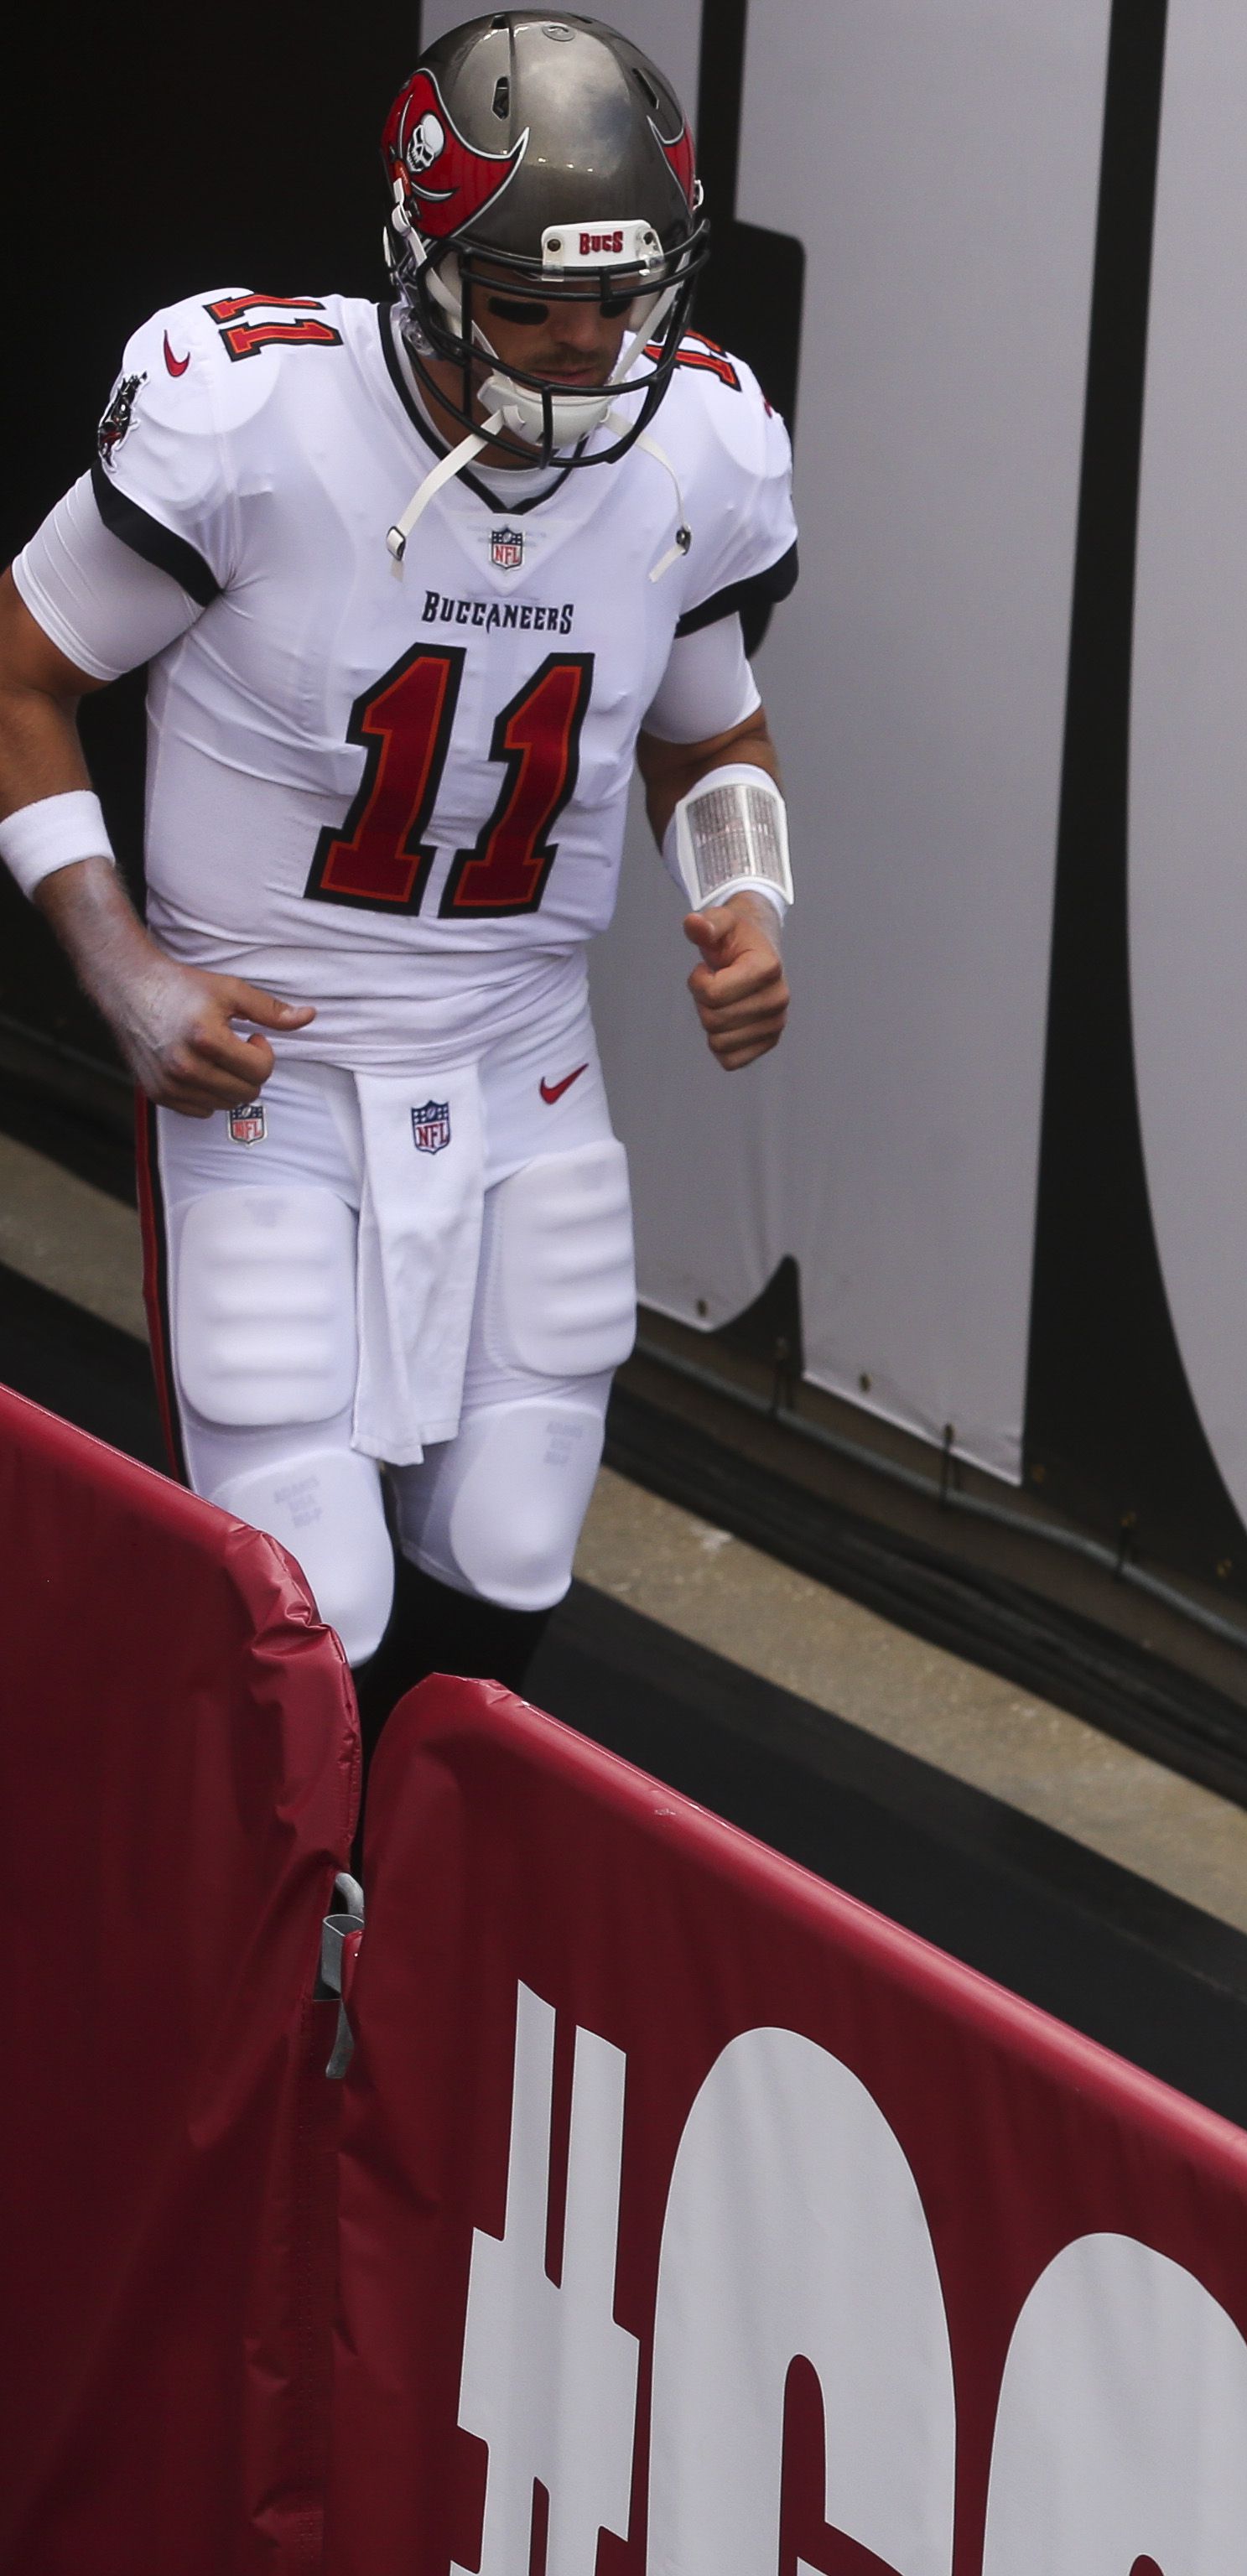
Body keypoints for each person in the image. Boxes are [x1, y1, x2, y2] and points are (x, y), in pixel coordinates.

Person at [0, 13, 798, 1731]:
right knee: (311, 1596)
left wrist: (745, 895)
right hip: (273, 1062)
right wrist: (124, 970)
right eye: (530, 302)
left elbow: (708, 735)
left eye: (619, 300)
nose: (586, 350)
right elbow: (20, 679)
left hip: (525, 1050)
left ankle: (387, 1925)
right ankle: (245, 1938)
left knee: (510, 1548)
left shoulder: (701, 447)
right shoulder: (258, 418)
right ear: (423, 261)